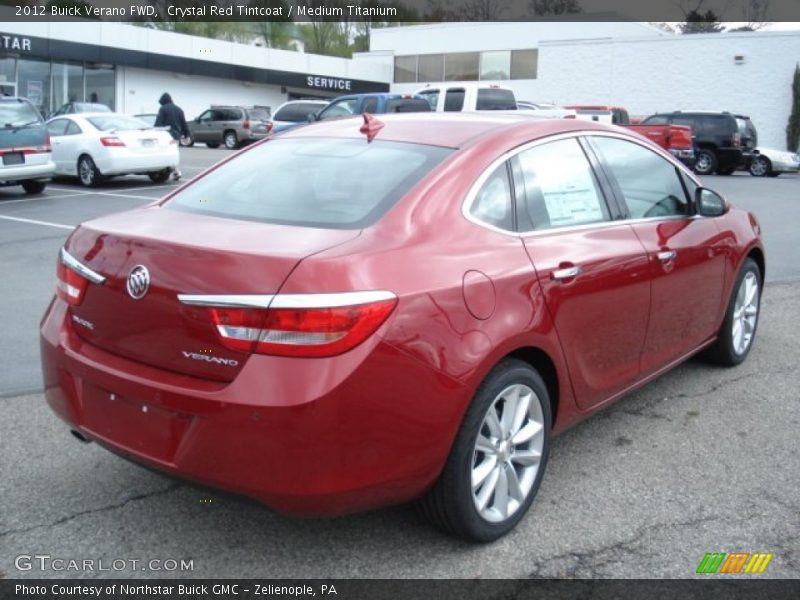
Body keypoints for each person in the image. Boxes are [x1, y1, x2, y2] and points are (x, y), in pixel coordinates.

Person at [154, 92, 189, 181]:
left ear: (163, 101)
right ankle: (175, 171)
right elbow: (184, 124)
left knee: (163, 154)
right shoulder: (179, 110)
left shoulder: (163, 109)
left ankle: (175, 171)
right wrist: (187, 135)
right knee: (173, 153)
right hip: (176, 136)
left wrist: (153, 131)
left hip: (165, 136)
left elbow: (158, 123)